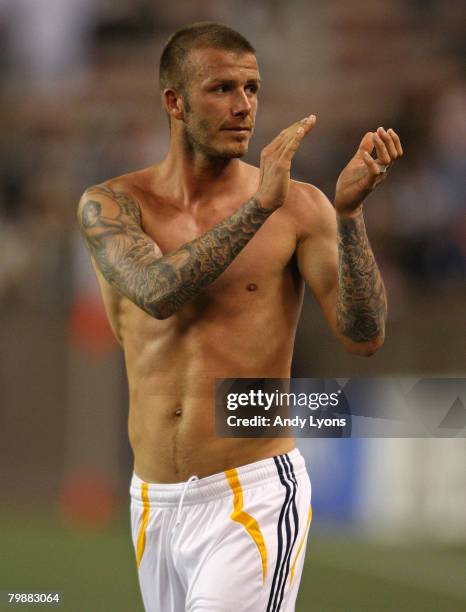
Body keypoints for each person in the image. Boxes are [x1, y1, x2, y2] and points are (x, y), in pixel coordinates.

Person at [77, 21, 402, 612]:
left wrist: (350, 217)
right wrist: (257, 209)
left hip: (250, 492)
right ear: (174, 102)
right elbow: (156, 291)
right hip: (152, 503)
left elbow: (364, 336)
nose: (244, 106)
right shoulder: (112, 204)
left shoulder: (302, 207)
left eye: (252, 89)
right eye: (222, 89)